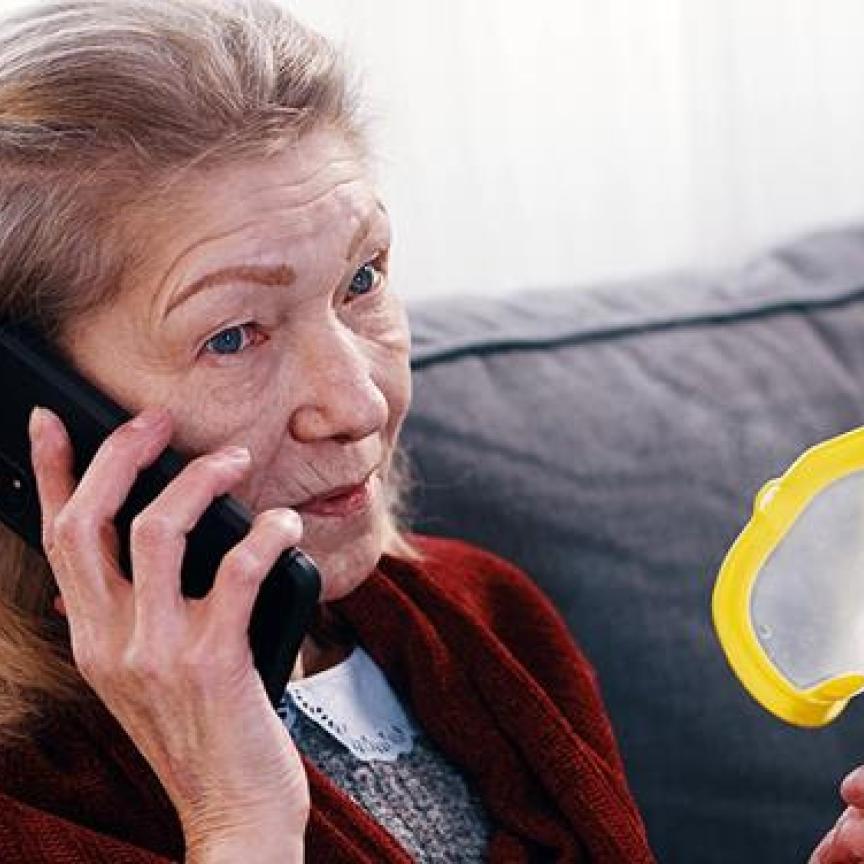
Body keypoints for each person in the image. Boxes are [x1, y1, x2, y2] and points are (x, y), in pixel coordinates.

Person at [0, 1, 654, 861]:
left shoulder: (484, 615)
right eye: (233, 336)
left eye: (362, 280)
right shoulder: (30, 798)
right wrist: (237, 822)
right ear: (29, 410)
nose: (359, 405)